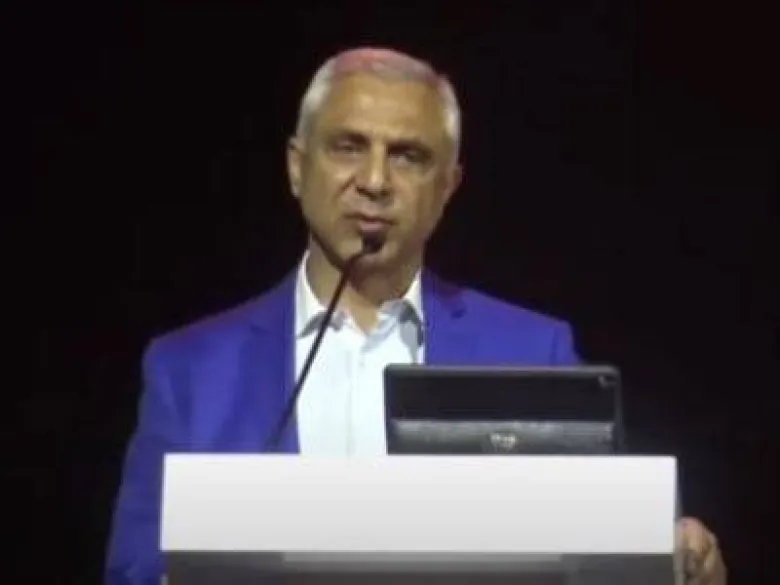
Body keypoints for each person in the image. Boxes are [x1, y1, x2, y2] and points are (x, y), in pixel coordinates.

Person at [105, 47, 727, 585]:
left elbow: (614, 546)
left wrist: (682, 559)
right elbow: (133, 571)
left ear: (448, 186)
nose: (375, 180)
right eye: (349, 146)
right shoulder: (190, 370)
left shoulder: (533, 349)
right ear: (297, 167)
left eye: (407, 156)